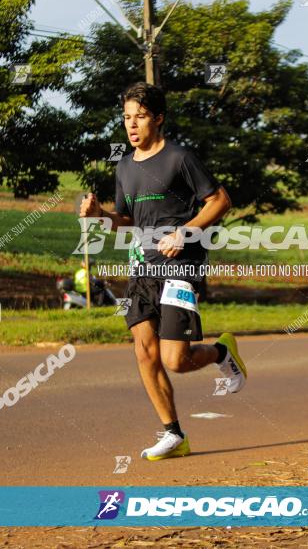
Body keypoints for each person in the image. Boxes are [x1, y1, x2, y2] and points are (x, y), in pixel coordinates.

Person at [78, 82, 246, 460]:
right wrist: (100, 215)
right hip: (141, 268)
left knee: (176, 360)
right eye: (126, 118)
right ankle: (174, 434)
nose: (131, 125)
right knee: (145, 354)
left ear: (158, 118)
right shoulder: (123, 166)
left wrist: (184, 233)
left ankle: (220, 352)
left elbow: (221, 201)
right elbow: (127, 220)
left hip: (179, 267)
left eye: (139, 117)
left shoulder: (180, 158)